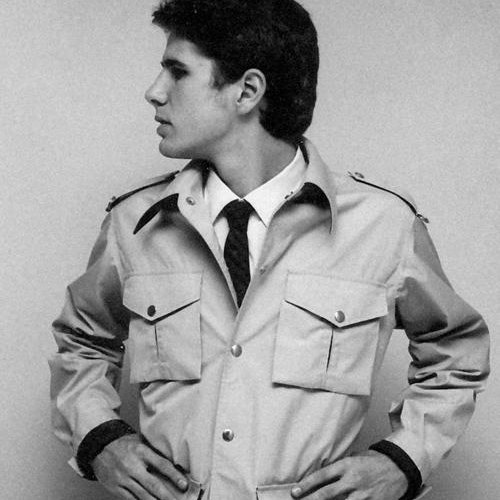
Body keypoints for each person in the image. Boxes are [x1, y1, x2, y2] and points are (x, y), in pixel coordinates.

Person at [49, 0, 489, 499]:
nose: (155, 91)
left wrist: (403, 460)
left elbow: (457, 353)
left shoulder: (383, 227)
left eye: (178, 71)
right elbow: (81, 343)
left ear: (247, 91)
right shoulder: (134, 223)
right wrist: (101, 440)